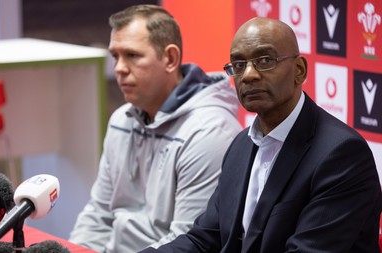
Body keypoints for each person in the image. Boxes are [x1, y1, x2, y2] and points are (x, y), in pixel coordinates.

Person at [139, 17, 382, 253]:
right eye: (239, 64)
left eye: (265, 60)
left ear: (299, 70)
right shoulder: (240, 145)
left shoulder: (342, 155)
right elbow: (205, 239)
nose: (248, 75)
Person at [68, 4, 242, 253]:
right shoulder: (121, 120)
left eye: (132, 55)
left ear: (170, 59)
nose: (119, 68)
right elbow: (99, 214)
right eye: (115, 56)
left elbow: (189, 242)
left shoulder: (210, 133)